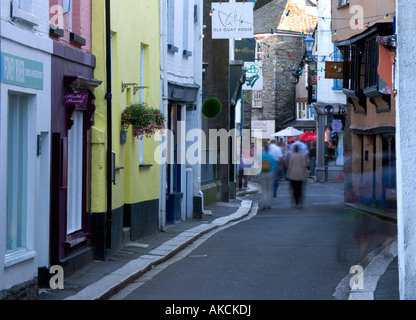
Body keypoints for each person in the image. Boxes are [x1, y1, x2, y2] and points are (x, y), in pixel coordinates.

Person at [286, 144, 309, 208]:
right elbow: (305, 165)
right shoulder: (302, 156)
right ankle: (299, 201)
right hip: (300, 174)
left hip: (293, 174)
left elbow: (289, 166)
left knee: (294, 188)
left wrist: (287, 175)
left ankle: (295, 201)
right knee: (300, 188)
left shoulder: (292, 156)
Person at [259, 143, 278, 210]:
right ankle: (268, 204)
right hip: (271, 173)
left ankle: (263, 203)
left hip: (263, 174)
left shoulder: (261, 157)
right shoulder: (271, 157)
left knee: (264, 190)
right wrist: (276, 176)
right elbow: (275, 167)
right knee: (270, 190)